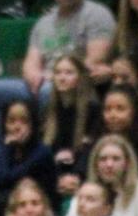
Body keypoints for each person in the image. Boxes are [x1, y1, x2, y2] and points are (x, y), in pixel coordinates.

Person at [0, 0, 116, 166]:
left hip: (77, 84)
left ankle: (41, 156)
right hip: (42, 82)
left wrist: (55, 75)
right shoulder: (44, 23)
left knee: (51, 91)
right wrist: (33, 74)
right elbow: (31, 62)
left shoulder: (97, 15)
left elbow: (94, 61)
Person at [39, 53, 102, 201]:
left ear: (80, 77)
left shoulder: (92, 109)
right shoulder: (48, 110)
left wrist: (75, 176)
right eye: (58, 72)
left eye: (69, 73)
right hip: (55, 174)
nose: (62, 77)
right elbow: (44, 149)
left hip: (81, 173)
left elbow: (91, 148)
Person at [0, 98, 60, 208]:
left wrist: (6, 148)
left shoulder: (42, 152)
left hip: (41, 210)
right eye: (11, 121)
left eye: (24, 121)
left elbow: (10, 179)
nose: (17, 127)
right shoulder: (9, 150)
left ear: (33, 125)